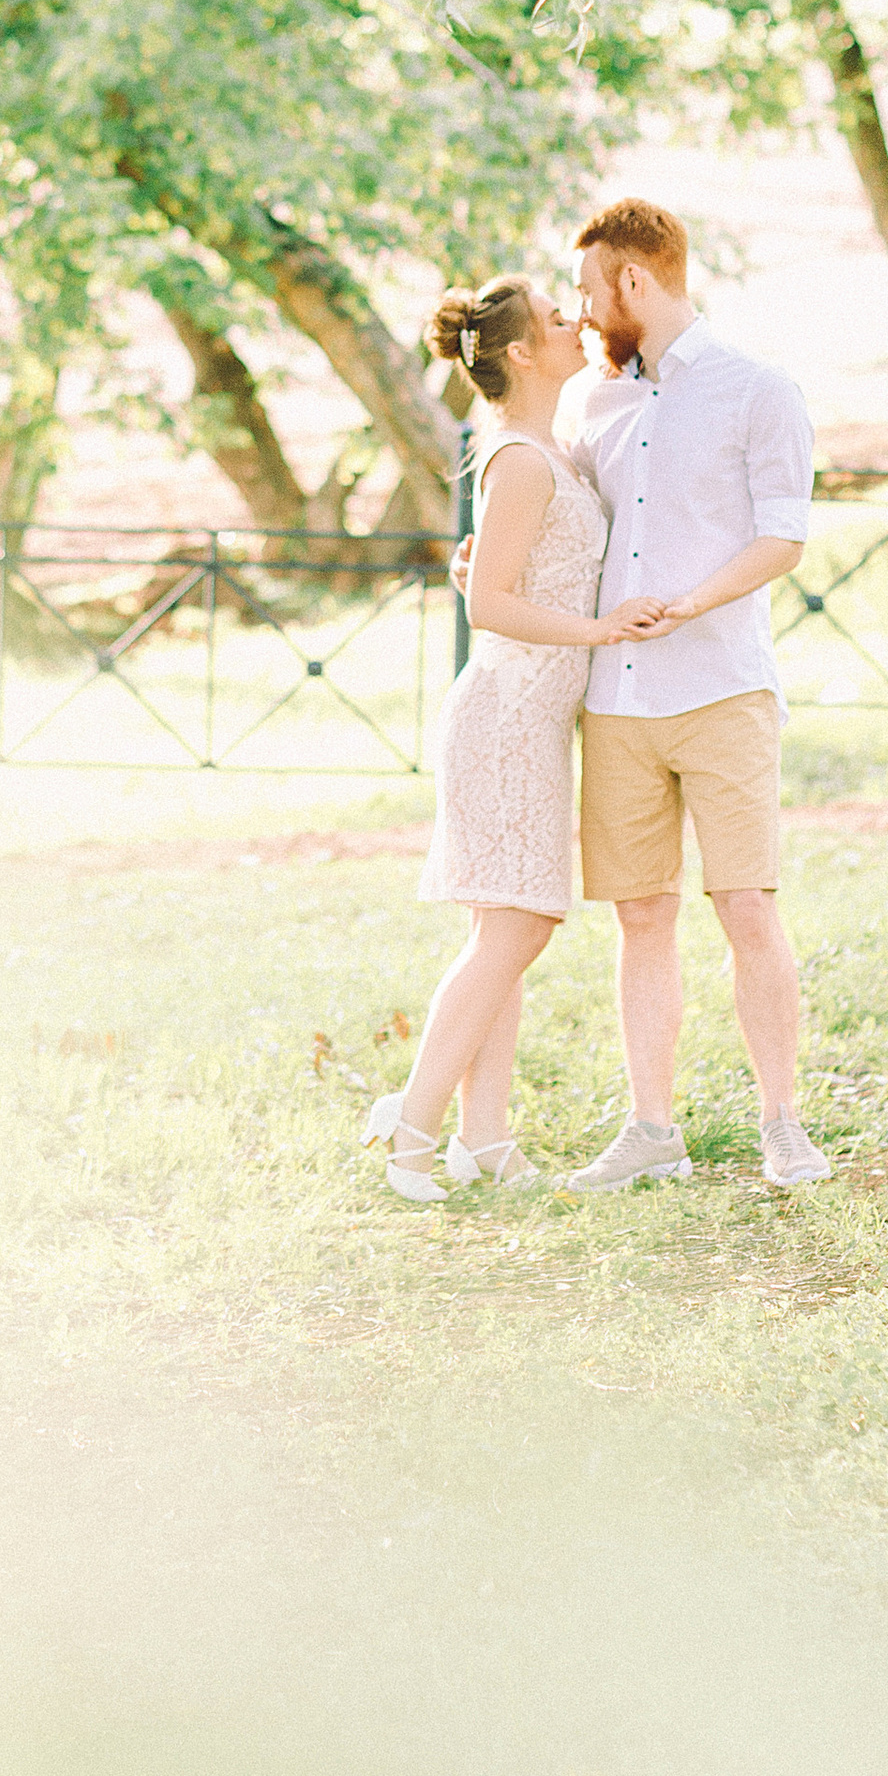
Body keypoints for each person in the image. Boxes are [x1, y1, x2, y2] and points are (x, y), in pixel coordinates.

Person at [363, 276, 663, 1201]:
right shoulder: (522, 460)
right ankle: (412, 1128)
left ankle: (483, 1140)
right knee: (520, 924)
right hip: (504, 716)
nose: (577, 323)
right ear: (524, 352)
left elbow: (499, 573)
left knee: (507, 925)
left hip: (534, 718)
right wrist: (601, 631)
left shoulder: (552, 450)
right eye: (556, 318)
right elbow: (491, 603)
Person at [561, 198, 831, 1195]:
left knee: (746, 905)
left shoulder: (758, 390)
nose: (580, 310)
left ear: (635, 281)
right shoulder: (590, 404)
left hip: (720, 687)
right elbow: (569, 528)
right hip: (616, 701)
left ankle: (781, 1122)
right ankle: (649, 1128)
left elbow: (782, 534)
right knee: (639, 916)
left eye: (588, 290)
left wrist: (689, 602)